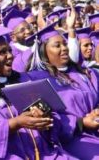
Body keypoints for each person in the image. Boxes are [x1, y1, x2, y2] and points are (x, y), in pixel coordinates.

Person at [0, 26, 75, 159]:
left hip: (44, 152)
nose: (10, 56)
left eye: (10, 50)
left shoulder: (23, 79)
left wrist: (44, 116)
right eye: (2, 52)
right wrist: (15, 123)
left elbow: (55, 119)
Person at [23, 23, 99, 159]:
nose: (64, 48)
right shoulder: (37, 79)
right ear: (44, 51)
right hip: (71, 138)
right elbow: (47, 117)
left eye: (65, 44)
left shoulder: (83, 73)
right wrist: (81, 122)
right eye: (57, 46)